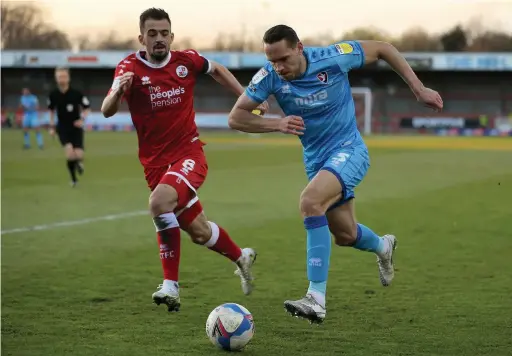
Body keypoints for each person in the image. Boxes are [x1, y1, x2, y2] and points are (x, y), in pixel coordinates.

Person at [228, 25, 443, 324]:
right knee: (345, 234)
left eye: (284, 59)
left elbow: (384, 48)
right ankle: (384, 246)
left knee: (309, 202)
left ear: (300, 48)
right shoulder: (269, 77)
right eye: (272, 60)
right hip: (316, 160)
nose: (279, 67)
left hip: (349, 149)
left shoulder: (334, 57)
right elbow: (236, 117)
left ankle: (315, 299)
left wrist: (418, 89)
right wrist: (276, 124)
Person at [100, 8, 268, 313]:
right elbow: (107, 109)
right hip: (154, 165)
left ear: (172, 36)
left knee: (159, 202)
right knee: (199, 232)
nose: (159, 39)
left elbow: (216, 70)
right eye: (152, 34)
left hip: (188, 154)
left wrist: (248, 98)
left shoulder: (186, 60)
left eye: (164, 33)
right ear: (142, 38)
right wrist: (118, 92)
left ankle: (171, 287)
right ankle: (241, 257)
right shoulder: (127, 68)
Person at [48, 67, 90, 187]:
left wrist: (82, 119)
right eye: (59, 77)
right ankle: (73, 180)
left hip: (76, 128)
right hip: (62, 128)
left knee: (78, 155)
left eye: (64, 76)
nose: (62, 79)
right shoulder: (53, 95)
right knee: (70, 153)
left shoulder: (76, 93)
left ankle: (78, 162)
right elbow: (51, 111)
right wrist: (51, 127)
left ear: (68, 78)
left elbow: (87, 108)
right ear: (56, 79)